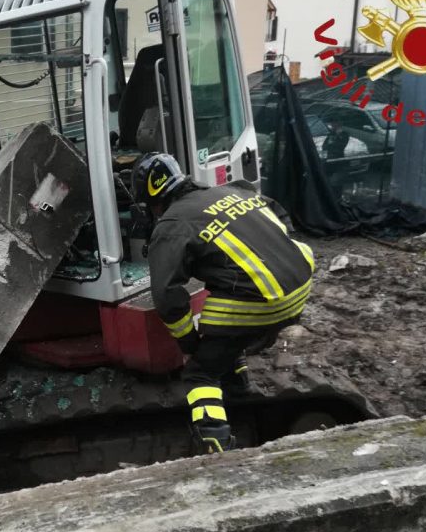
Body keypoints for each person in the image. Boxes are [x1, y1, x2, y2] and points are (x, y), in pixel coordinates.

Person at [132, 153, 315, 454]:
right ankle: (237, 386)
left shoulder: (172, 225)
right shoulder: (235, 190)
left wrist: (189, 344)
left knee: (201, 371)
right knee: (226, 325)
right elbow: (280, 215)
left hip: (263, 301)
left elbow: (167, 297)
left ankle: (216, 449)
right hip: (300, 283)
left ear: (151, 200)